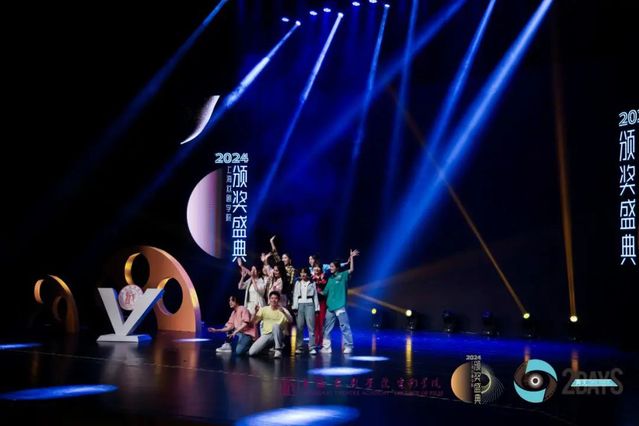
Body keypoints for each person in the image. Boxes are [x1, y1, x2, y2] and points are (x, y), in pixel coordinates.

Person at [320, 249, 359, 354]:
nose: (330, 268)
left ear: (337, 267)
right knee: (327, 328)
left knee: (344, 327)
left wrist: (351, 257)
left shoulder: (343, 275)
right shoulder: (330, 279)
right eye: (330, 266)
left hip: (340, 306)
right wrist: (316, 289)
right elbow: (325, 292)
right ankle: (327, 347)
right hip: (330, 307)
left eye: (332, 266)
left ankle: (348, 346)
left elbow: (351, 269)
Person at [248, 291, 293, 358]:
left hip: (279, 334)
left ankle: (278, 350)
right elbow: (253, 322)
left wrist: (284, 312)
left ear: (278, 300)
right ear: (269, 299)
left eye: (275, 298)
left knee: (275, 326)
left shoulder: (283, 310)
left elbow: (291, 320)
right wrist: (255, 312)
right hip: (267, 335)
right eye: (272, 298)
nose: (273, 300)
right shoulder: (264, 309)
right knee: (251, 352)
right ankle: (267, 348)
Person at [292, 268, 320, 354]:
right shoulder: (298, 283)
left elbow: (315, 296)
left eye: (304, 273)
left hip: (310, 305)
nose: (303, 274)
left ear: (307, 274)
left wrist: (317, 309)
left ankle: (312, 347)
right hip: (300, 305)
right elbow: (295, 295)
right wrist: (295, 307)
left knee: (311, 327)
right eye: (301, 273)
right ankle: (299, 347)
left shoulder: (312, 283)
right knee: (299, 327)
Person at [311, 265, 328, 348]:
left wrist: (320, 291)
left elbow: (326, 290)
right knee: (314, 322)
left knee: (321, 322)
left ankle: (321, 341)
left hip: (322, 302)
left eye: (318, 267)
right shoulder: (311, 278)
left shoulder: (324, 277)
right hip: (312, 303)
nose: (316, 269)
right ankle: (314, 341)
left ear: (321, 269)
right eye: (315, 267)